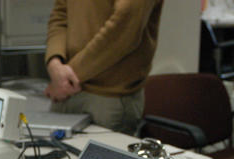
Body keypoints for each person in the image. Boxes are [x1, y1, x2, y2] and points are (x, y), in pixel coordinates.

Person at [44, 0, 164, 135]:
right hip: (67, 90)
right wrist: (54, 63)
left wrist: (66, 79)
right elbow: (60, 14)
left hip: (108, 96)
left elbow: (124, 30)